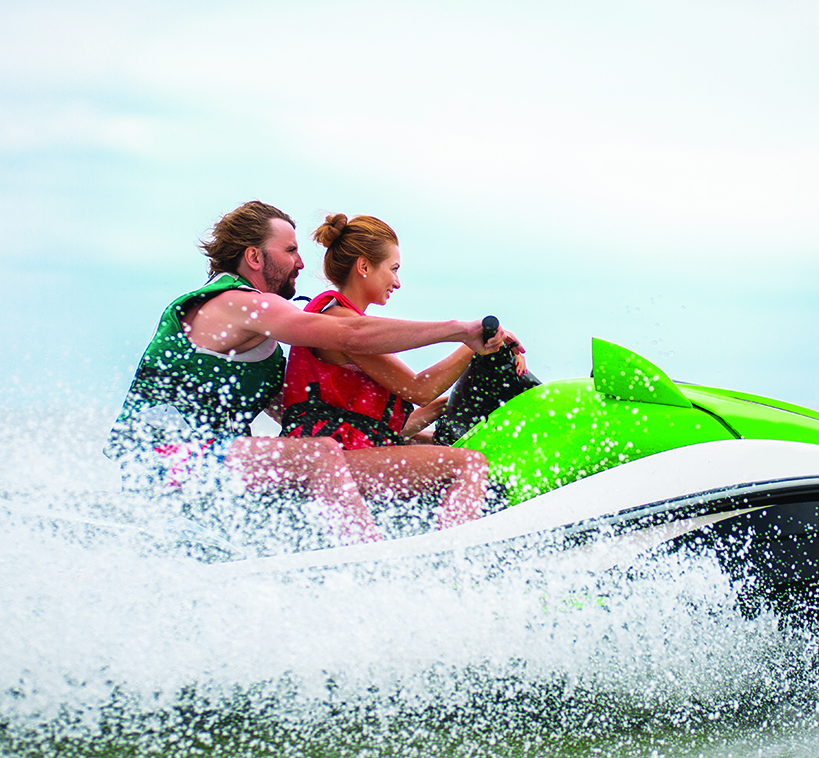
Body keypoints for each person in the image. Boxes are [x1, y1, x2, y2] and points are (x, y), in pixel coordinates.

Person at [106, 200, 514, 544]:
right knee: (319, 453)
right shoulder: (237, 302)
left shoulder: (259, 348)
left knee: (323, 448)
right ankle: (368, 558)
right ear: (254, 257)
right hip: (160, 459)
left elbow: (302, 414)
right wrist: (459, 331)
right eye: (289, 251)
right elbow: (349, 334)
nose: (302, 262)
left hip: (213, 467)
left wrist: (426, 426)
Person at [282, 214, 527, 529]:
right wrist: (472, 346)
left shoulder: (344, 320)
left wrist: (446, 407)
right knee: (468, 465)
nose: (397, 282)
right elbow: (419, 388)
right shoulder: (340, 324)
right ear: (364, 267)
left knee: (451, 449)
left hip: (348, 454)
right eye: (393, 269)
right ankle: (451, 558)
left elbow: (374, 425)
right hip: (327, 463)